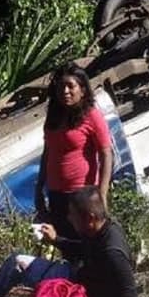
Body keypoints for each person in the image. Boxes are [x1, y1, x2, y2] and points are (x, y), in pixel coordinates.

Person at [0, 186, 138, 297]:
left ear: (90, 218)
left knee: (17, 262)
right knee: (21, 267)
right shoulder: (104, 228)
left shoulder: (112, 252)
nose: (69, 218)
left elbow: (129, 296)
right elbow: (84, 249)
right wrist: (56, 240)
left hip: (74, 291)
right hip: (76, 277)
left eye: (73, 215)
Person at [34, 63, 114, 239]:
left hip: (81, 196)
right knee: (64, 243)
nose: (65, 91)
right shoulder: (54, 117)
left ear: (83, 90)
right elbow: (47, 153)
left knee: (87, 245)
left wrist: (102, 194)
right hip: (56, 194)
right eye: (61, 86)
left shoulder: (92, 115)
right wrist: (39, 187)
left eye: (71, 86)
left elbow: (106, 154)